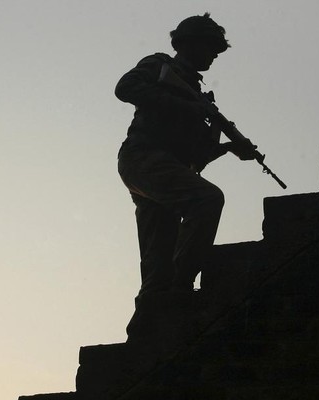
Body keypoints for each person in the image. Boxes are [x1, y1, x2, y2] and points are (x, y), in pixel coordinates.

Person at [115, 13, 255, 345]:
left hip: (164, 167)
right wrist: (186, 106)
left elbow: (195, 160)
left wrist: (229, 148)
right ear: (189, 43)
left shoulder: (198, 95)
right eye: (210, 47)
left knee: (156, 271)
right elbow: (125, 88)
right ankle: (181, 289)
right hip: (143, 158)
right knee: (207, 199)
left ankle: (144, 341)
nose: (213, 56)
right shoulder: (160, 65)